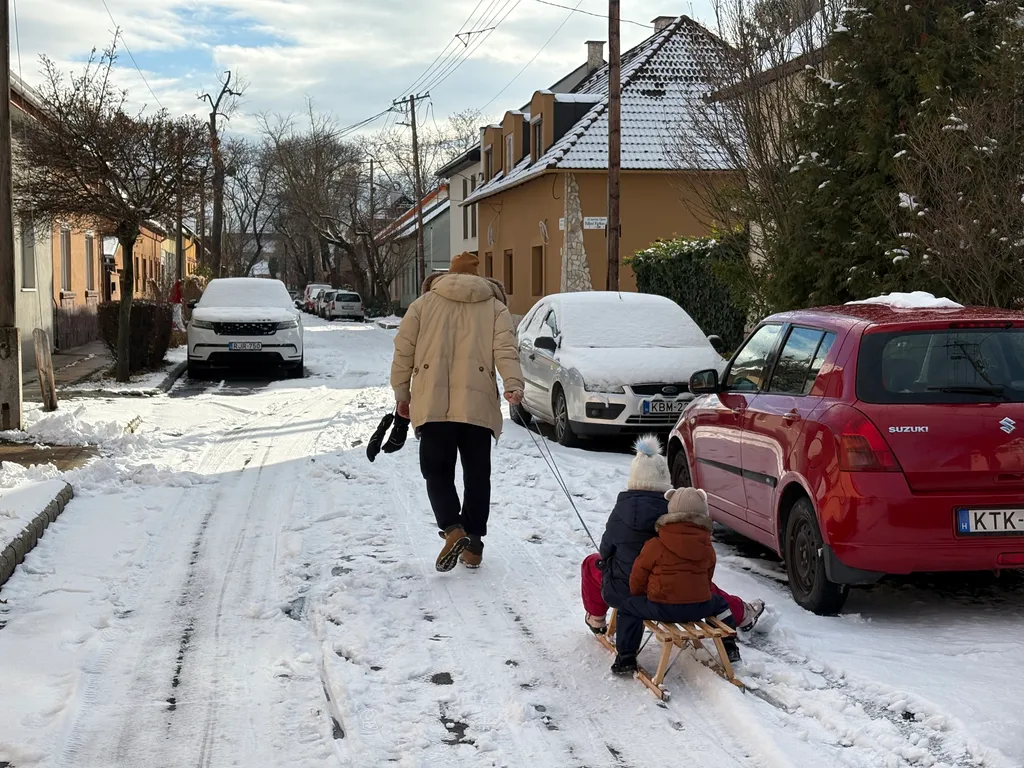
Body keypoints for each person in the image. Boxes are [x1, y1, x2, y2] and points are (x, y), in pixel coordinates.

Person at [391, 252, 525, 573]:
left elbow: (403, 350)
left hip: (431, 403)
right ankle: (474, 546)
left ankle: (453, 530)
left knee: (436, 471)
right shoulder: (495, 307)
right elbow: (506, 349)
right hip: (478, 403)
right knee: (477, 474)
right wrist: (512, 384)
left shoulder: (422, 305)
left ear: (447, 273)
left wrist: (402, 393)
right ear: (480, 276)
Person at [579, 438, 763, 664]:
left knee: (592, 563)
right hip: (670, 590)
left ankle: (596, 619)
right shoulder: (673, 510)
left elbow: (606, 551)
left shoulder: (620, 511)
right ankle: (742, 614)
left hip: (625, 592)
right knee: (700, 584)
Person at [612, 486, 737, 675]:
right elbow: (708, 575)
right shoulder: (707, 545)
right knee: (720, 604)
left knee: (628, 608)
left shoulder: (656, 543)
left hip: (661, 607)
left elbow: (638, 575)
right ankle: (729, 645)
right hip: (700, 606)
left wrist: (639, 596)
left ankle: (626, 658)